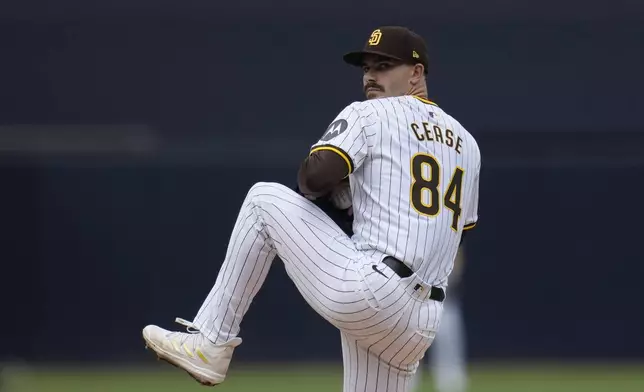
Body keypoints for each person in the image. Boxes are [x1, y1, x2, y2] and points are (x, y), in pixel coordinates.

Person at [141, 26, 481, 392]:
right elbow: (455, 228)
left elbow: (313, 178)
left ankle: (211, 339)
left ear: (416, 73)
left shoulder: (372, 115)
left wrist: (340, 188)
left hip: (374, 293)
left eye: (384, 65)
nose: (371, 76)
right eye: (366, 67)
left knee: (263, 201)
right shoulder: (468, 144)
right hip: (421, 323)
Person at [412, 246, 469, 392]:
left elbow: (458, 261)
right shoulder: (415, 237)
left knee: (449, 358)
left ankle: (452, 387)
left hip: (444, 302)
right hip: (415, 303)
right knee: (409, 355)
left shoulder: (451, 236)